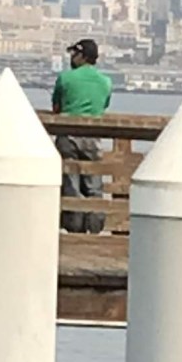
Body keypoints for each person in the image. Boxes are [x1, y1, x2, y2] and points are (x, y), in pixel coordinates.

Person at [53, 38, 112, 235]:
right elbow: (103, 107)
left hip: (68, 136)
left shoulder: (65, 78)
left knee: (71, 183)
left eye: (74, 54)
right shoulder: (106, 82)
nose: (71, 57)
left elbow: (56, 108)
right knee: (94, 184)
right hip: (93, 138)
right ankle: (95, 227)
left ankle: (74, 228)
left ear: (83, 56)